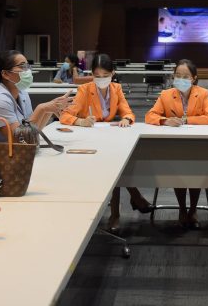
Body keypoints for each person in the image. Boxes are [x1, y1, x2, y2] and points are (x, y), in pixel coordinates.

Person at [60, 53, 154, 232]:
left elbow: (128, 112)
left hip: (109, 139)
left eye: (105, 75)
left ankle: (125, 206)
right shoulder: (85, 89)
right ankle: (125, 205)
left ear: (113, 73)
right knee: (114, 166)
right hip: (87, 142)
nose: (101, 79)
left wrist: (126, 118)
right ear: (92, 74)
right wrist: (80, 121)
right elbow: (65, 115)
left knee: (116, 165)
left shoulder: (116, 88)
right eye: (97, 75)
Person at [146, 59, 208, 229]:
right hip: (173, 145)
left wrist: (185, 120)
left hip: (197, 145)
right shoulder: (166, 94)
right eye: (178, 75)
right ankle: (182, 209)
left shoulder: (203, 93)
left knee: (196, 170)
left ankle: (193, 210)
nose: (181, 79)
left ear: (194, 78)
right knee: (178, 169)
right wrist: (165, 121)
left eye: (185, 76)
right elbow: (150, 116)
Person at [0, 50, 72, 142]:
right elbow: (21, 139)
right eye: (22, 66)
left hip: (13, 150)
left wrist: (50, 109)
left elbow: (33, 131)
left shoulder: (22, 92)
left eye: (28, 66)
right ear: (5, 74)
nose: (28, 70)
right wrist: (41, 109)